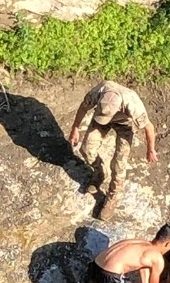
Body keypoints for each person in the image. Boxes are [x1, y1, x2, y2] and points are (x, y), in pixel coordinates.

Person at [68, 81, 158, 220]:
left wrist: (150, 149)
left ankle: (112, 196)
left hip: (125, 124)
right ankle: (99, 173)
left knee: (119, 164)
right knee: (87, 149)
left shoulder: (133, 106)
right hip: (101, 117)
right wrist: (75, 128)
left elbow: (149, 127)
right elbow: (83, 107)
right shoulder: (99, 91)